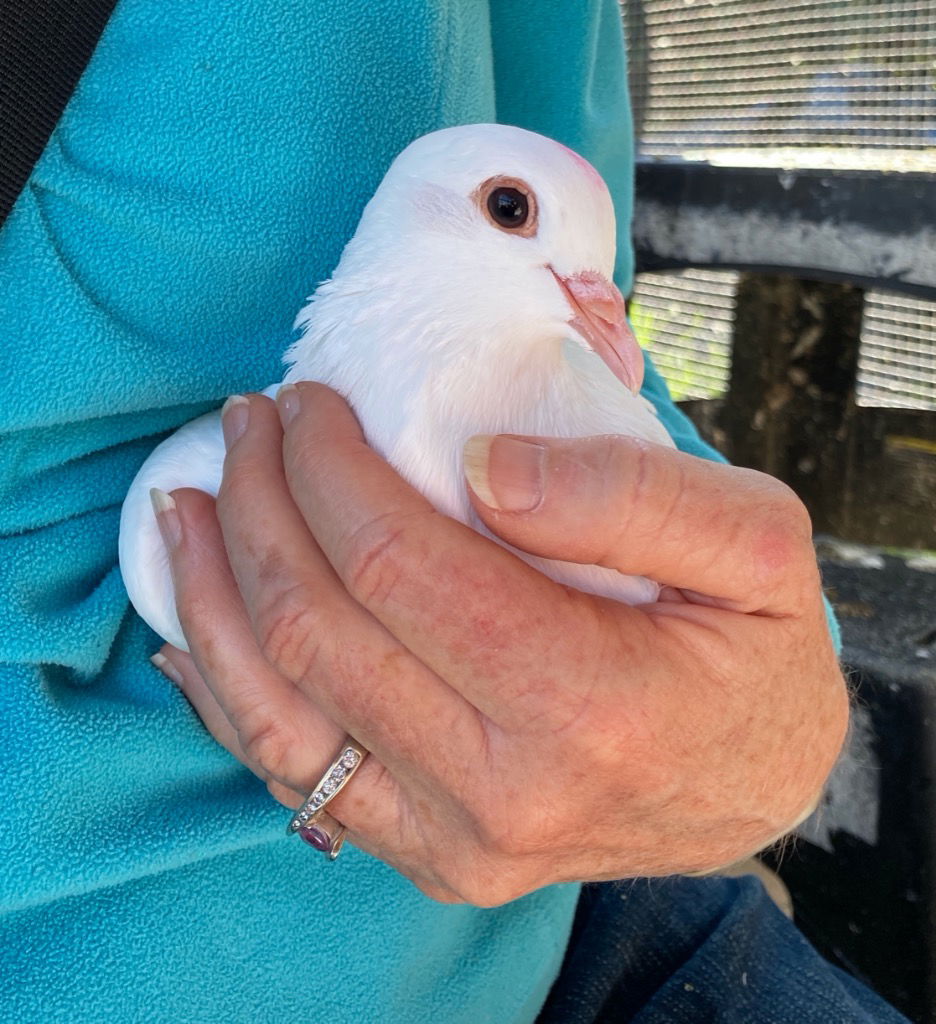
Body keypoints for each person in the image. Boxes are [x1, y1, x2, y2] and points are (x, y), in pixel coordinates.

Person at [0, 0, 907, 1020]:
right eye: (512, 213)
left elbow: (611, 348)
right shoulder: (187, 498)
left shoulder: (573, 327)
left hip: (577, 916)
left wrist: (757, 703)